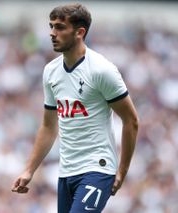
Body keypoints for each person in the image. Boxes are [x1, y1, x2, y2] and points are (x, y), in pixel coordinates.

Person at [12, 3, 139, 213]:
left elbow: (131, 121)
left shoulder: (101, 70)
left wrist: (122, 170)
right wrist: (29, 170)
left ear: (80, 32)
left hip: (97, 168)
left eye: (60, 27)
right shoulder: (51, 72)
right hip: (66, 171)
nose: (52, 33)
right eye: (51, 26)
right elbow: (48, 126)